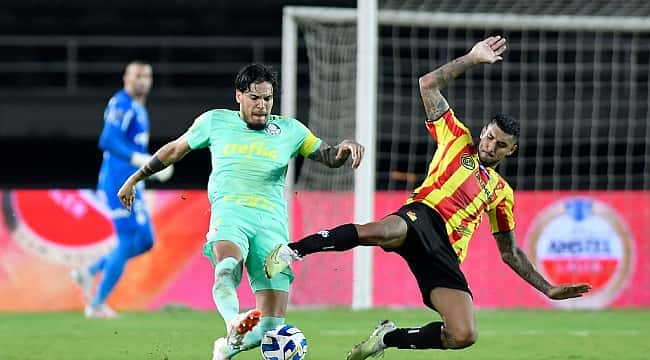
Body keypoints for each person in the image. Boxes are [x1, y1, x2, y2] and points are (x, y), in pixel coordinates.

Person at [263, 36, 592, 360]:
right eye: (490, 137)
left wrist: (547, 288)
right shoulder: (456, 137)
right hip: (421, 216)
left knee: (463, 334)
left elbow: (510, 253)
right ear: (483, 132)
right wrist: (472, 59)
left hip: (445, 254)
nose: (491, 146)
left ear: (511, 150)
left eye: (501, 144)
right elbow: (428, 85)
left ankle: (386, 338)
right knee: (380, 231)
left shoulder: (501, 193)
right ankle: (292, 251)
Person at [115, 63, 364, 359]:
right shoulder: (215, 122)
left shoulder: (291, 130)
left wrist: (344, 147)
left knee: (272, 325)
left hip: (272, 226)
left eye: (268, 99)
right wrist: (136, 177)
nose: (262, 106)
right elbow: (174, 150)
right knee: (227, 266)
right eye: (255, 97)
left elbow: (328, 156)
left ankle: (226, 346)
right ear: (239, 96)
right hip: (231, 213)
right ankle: (232, 320)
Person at [70, 60, 173, 319]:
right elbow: (107, 140)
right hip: (118, 182)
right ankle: (96, 305)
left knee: (146, 240)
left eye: (147, 76)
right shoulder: (121, 104)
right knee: (127, 241)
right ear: (126, 78)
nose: (143, 80)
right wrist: (142, 161)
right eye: (138, 75)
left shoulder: (139, 108)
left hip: (133, 182)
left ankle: (89, 271)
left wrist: (148, 168)